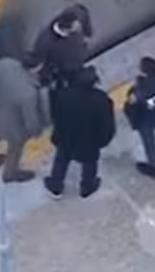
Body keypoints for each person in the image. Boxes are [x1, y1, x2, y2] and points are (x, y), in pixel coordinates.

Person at [43, 66, 116, 200]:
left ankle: (56, 186)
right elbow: (107, 124)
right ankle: (87, 187)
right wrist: (102, 141)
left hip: (66, 136)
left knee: (61, 160)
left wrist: (57, 134)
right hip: (89, 140)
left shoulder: (64, 94)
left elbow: (56, 116)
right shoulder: (101, 99)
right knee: (89, 163)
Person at [0, 52, 49, 183]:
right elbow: (30, 118)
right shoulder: (29, 93)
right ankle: (10, 173)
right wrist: (36, 132)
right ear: (35, 69)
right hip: (15, 126)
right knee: (15, 148)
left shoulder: (5, 64)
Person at [33, 5, 92, 95]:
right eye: (77, 27)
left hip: (78, 62)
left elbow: (86, 25)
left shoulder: (79, 14)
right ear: (66, 28)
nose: (80, 29)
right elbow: (42, 61)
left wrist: (87, 36)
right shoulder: (45, 41)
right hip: (63, 68)